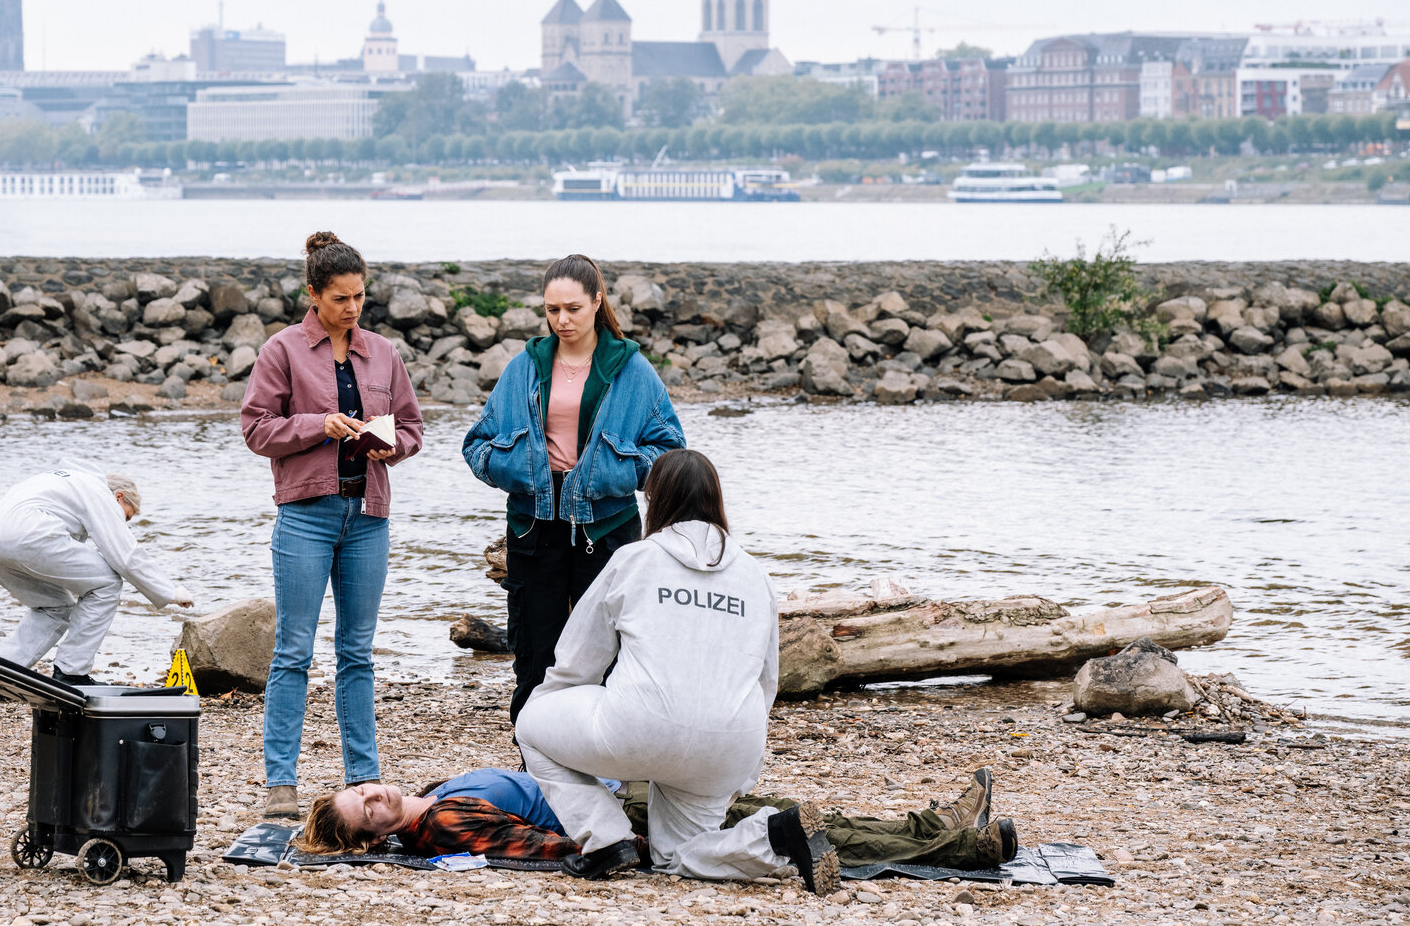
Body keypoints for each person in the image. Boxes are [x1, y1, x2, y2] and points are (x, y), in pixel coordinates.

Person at [515, 449, 804, 885]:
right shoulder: (756, 576)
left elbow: (577, 660)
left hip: (640, 732)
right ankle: (772, 838)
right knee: (677, 857)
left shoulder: (636, 559)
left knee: (531, 723)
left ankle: (608, 839)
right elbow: (768, 680)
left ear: (655, 499)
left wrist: (552, 701)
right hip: (729, 747)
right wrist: (741, 755)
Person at [241, 231, 424, 821]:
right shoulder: (282, 350)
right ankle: (280, 784)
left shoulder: (384, 353)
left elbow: (414, 429)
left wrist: (389, 448)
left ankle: (364, 778)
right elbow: (256, 430)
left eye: (360, 296)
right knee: (293, 651)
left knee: (357, 653)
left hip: (368, 517)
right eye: (341, 298)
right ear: (314, 294)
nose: (353, 308)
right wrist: (320, 425)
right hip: (305, 518)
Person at [461, 254, 684, 721]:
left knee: (610, 654)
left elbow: (671, 452)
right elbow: (476, 445)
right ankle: (534, 766)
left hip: (607, 528)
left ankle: (607, 769)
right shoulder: (524, 367)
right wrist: (523, 473)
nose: (562, 320)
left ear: (597, 302)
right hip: (532, 528)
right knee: (534, 655)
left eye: (573, 309)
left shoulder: (632, 369)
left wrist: (612, 474)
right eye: (552, 309)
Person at [297, 768, 1016, 878]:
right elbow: (543, 844)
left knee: (792, 811)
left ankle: (939, 828)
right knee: (790, 824)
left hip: (628, 791)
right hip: (631, 812)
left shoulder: (436, 795)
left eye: (365, 789)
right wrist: (632, 846)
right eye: (370, 811)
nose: (376, 795)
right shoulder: (444, 823)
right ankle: (962, 844)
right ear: (375, 837)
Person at [0, 459, 193, 684]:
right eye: (126, 516)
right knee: (107, 583)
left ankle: (2, 669)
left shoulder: (59, 480)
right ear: (119, 497)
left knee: (54, 607)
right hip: (29, 535)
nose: (123, 523)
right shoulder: (98, 491)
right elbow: (125, 554)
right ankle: (71, 672)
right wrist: (169, 591)